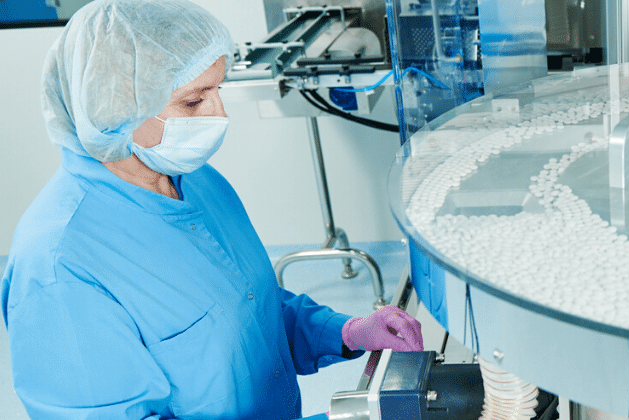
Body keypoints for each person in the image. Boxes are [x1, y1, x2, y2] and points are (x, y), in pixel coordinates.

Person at [0, 0, 423, 418]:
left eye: (218, 89)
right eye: (193, 101)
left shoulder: (196, 182)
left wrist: (345, 333)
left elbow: (250, 307)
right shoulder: (60, 267)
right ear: (116, 104)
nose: (219, 114)